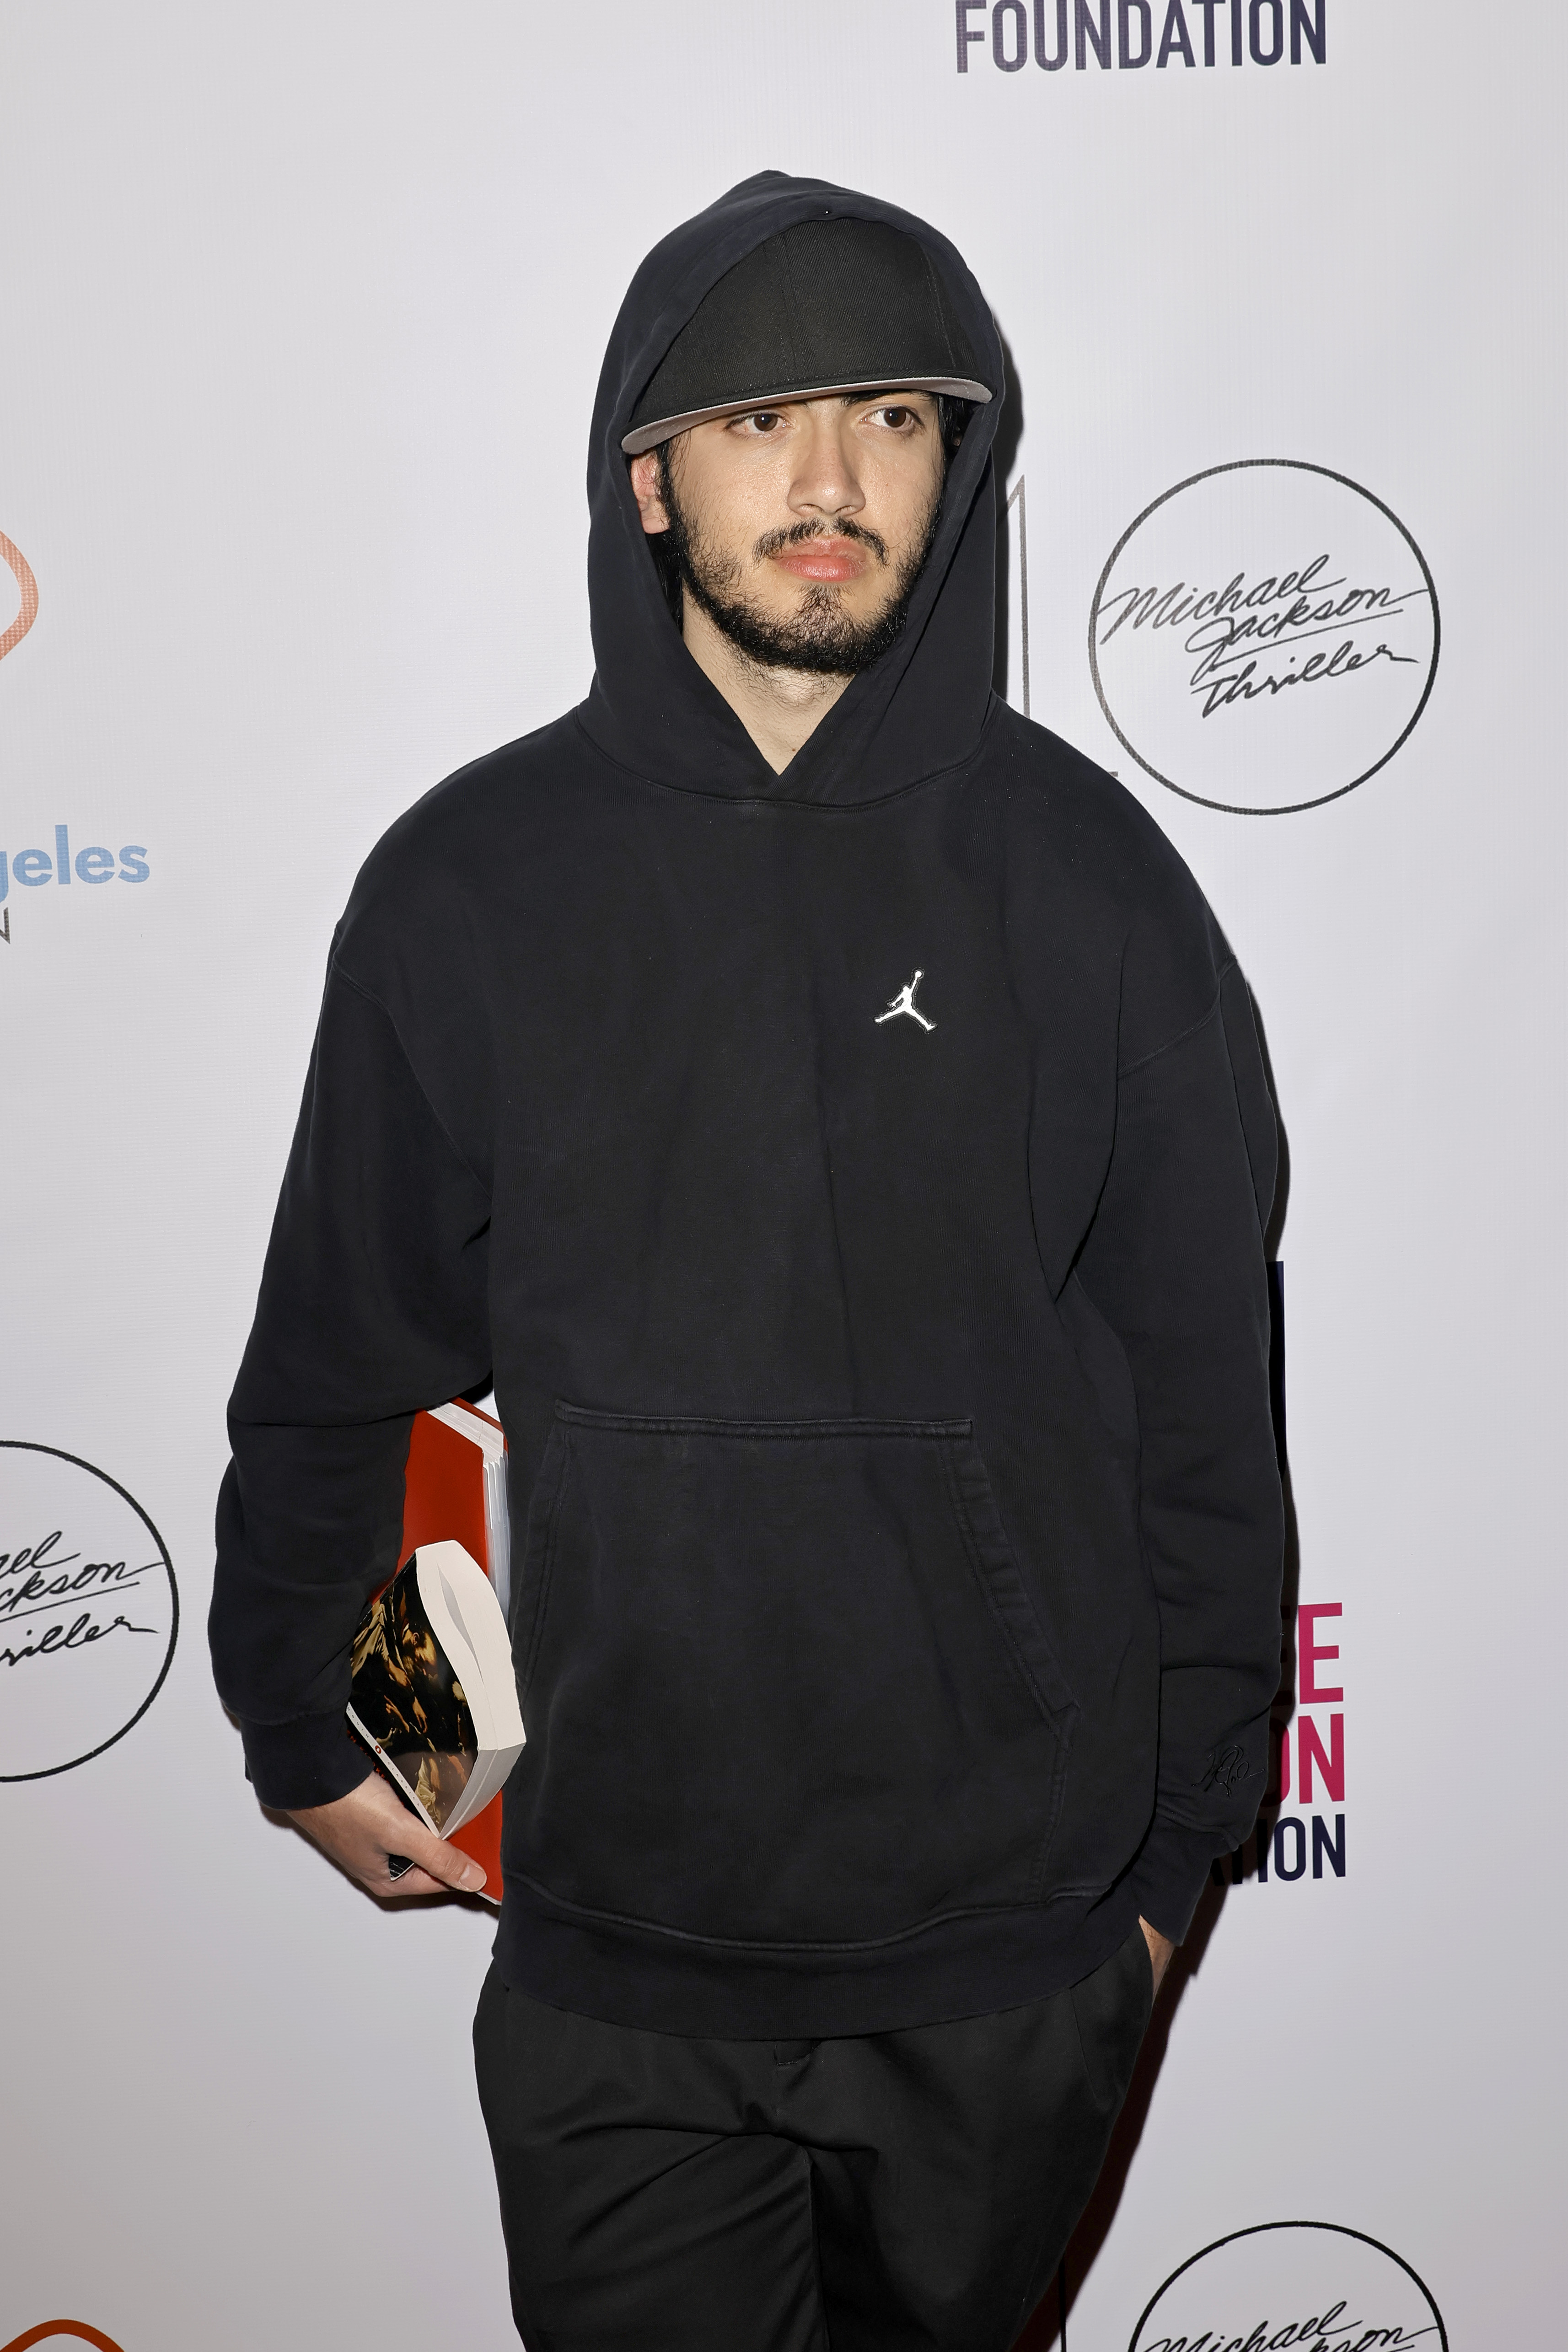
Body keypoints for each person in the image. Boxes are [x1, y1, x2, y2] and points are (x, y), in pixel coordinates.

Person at [210, 171, 1283, 2351]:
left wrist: (1164, 1878)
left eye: (889, 415)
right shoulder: (467, 886)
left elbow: (1203, 1415)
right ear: (645, 474)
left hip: (1010, 1953)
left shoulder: (1090, 886)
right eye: (757, 419)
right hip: (616, 1949)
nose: (824, 479)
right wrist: (309, 1720)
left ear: (954, 463)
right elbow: (348, 1360)